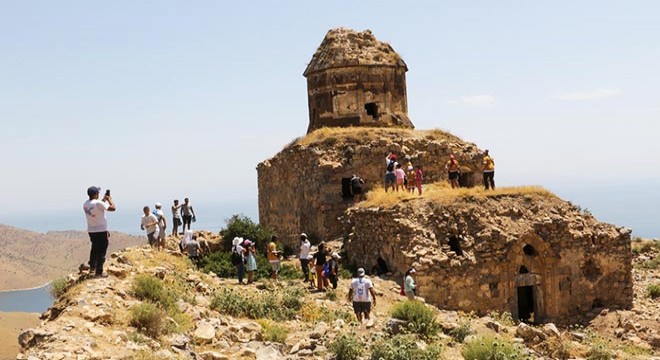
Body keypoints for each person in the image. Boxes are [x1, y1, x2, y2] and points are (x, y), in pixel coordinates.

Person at [82, 186, 116, 278]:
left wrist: (103, 200)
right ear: (96, 194)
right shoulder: (98, 203)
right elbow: (113, 208)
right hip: (101, 230)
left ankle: (92, 269)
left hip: (92, 231)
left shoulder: (86, 204)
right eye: (98, 193)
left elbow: (97, 207)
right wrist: (110, 200)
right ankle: (99, 271)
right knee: (101, 251)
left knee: (94, 250)